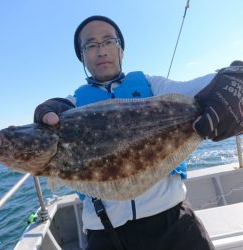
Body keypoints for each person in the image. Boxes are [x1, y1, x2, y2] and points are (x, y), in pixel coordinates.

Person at [34, 15, 243, 250]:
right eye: (91, 45)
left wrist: (235, 78)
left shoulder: (154, 87)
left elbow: (203, 87)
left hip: (172, 219)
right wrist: (52, 116)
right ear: (82, 56)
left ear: (121, 50)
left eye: (108, 41)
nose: (101, 51)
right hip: (104, 230)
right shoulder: (70, 108)